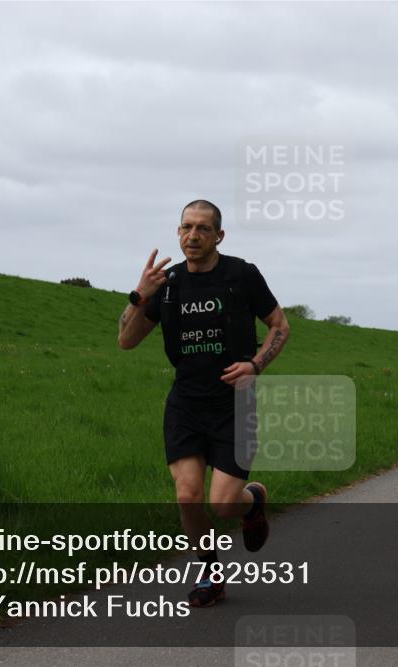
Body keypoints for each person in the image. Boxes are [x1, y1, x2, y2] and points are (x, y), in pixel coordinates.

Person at [118, 199, 290, 607]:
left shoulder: (242, 275)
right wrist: (139, 297)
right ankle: (211, 575)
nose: (192, 236)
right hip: (186, 404)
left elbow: (279, 326)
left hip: (234, 404)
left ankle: (253, 502)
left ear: (219, 236)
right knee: (187, 495)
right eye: (186, 227)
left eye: (202, 228)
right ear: (178, 232)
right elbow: (126, 340)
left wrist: (255, 365)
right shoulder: (168, 285)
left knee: (224, 504)